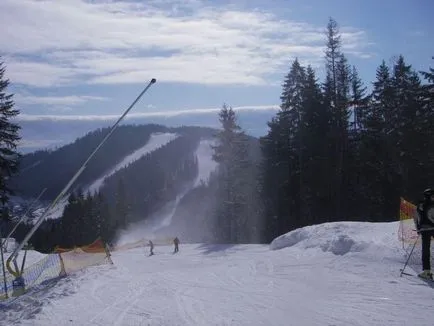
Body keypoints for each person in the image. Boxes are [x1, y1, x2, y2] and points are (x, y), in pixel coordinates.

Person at [416, 188, 434, 280]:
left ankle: (427, 272)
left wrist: (418, 229)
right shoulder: (432, 205)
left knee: (425, 250)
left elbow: (417, 218)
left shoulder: (421, 205)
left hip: (424, 230)